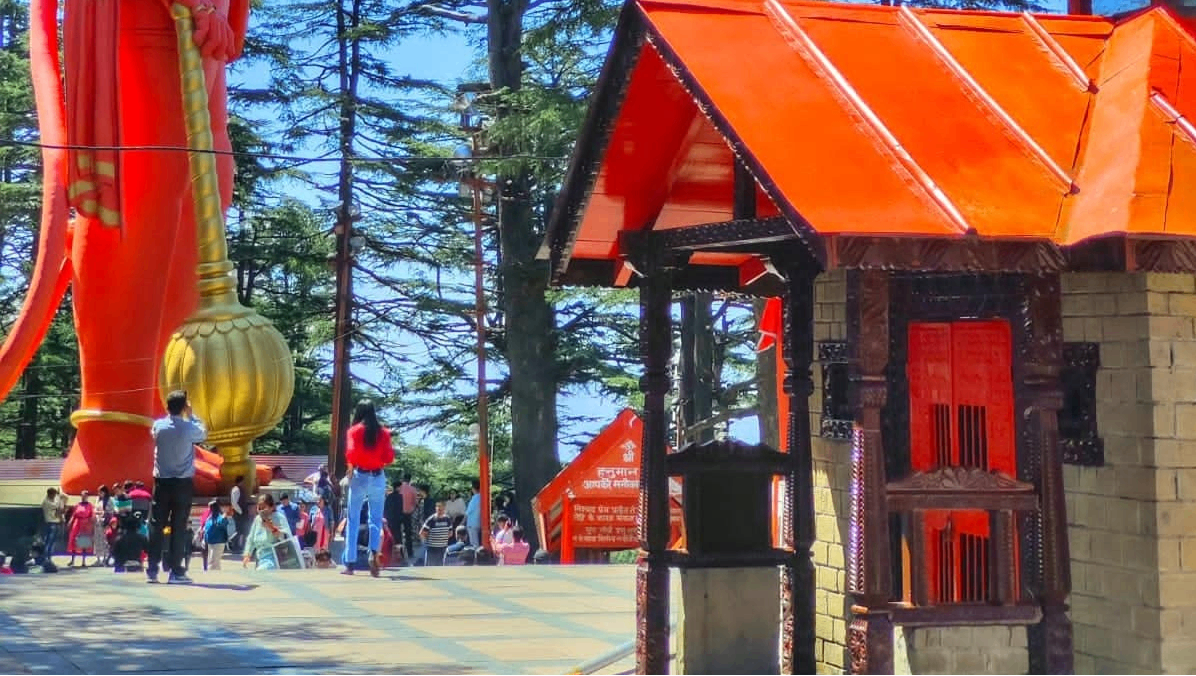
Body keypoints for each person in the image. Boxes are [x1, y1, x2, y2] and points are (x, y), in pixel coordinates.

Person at [147, 389, 207, 585]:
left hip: (161, 482)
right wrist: (191, 414)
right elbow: (203, 433)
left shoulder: (159, 426)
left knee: (156, 525)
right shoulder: (189, 427)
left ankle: (153, 568)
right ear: (183, 407)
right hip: (182, 483)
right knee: (178, 526)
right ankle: (175, 570)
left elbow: (153, 433)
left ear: (167, 406)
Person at [341, 399, 395, 577]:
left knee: (353, 519)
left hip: (359, 476)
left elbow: (351, 453)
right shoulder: (384, 433)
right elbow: (388, 458)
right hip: (378, 477)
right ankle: (373, 553)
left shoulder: (354, 431)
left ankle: (350, 563)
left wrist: (352, 466)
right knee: (376, 519)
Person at [241, 494, 292, 571]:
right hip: (259, 557)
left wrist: (271, 527)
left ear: (271, 507)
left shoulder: (279, 517)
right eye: (259, 508)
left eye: (263, 508)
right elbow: (250, 538)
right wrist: (247, 554)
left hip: (274, 558)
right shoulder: (257, 519)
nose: (261, 510)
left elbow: (287, 537)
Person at [419, 501, 454, 567]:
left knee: (440, 568)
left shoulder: (447, 519)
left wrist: (442, 539)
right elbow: (422, 533)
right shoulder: (431, 519)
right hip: (432, 549)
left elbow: (450, 533)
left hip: (442, 549)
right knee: (430, 569)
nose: (439, 509)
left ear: (444, 508)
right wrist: (426, 542)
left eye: (441, 507)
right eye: (438, 507)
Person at [202, 500, 234, 570]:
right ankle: (216, 575)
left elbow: (221, 524)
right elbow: (206, 528)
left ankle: (212, 576)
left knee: (214, 561)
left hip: (218, 542)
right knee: (212, 561)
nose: (209, 510)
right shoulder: (210, 518)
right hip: (210, 542)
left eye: (210, 508)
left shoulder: (220, 517)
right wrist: (204, 539)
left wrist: (224, 517)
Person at [67, 491, 95, 566]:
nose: (83, 497)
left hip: (85, 524)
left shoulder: (90, 505)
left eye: (85, 496)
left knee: (84, 541)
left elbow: (92, 516)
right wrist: (70, 521)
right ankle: (72, 560)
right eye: (82, 495)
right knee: (73, 540)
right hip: (77, 523)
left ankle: (83, 561)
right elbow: (74, 514)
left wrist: (91, 524)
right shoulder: (77, 505)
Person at [396, 474, 417, 562]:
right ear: (410, 480)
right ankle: (410, 552)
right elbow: (415, 503)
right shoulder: (413, 489)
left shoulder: (399, 488)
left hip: (398, 513)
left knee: (398, 534)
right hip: (408, 514)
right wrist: (411, 510)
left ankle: (399, 554)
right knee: (408, 534)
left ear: (402, 479)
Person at [40, 488, 64, 563]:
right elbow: (60, 508)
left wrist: (59, 496)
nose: (54, 496)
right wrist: (60, 498)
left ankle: (48, 559)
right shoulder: (47, 503)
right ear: (50, 494)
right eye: (53, 494)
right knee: (49, 543)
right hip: (51, 524)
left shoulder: (51, 500)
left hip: (54, 523)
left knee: (51, 543)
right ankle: (46, 559)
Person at [229, 475, 246, 553]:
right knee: (239, 530)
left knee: (241, 530)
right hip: (238, 513)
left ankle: (236, 545)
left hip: (240, 513)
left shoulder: (239, 489)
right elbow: (234, 503)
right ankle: (232, 542)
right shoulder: (236, 490)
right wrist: (240, 511)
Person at [465, 479, 482, 549]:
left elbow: (468, 512)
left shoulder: (474, 498)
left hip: (472, 523)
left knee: (474, 543)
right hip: (479, 521)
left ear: (473, 489)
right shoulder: (482, 497)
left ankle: (476, 556)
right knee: (478, 541)